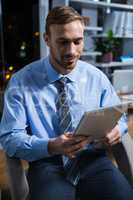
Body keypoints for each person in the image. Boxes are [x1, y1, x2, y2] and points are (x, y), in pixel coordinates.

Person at [0, 6, 133, 200]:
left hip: (93, 160)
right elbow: (10, 138)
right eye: (62, 42)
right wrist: (52, 146)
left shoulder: (97, 77)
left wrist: (116, 131)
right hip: (47, 163)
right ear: (47, 40)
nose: (71, 51)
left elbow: (118, 118)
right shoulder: (21, 82)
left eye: (77, 42)